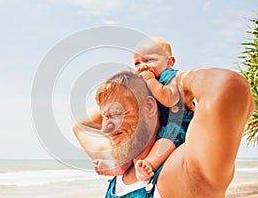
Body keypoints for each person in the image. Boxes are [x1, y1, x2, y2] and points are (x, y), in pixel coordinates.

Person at [73, 69, 254, 197]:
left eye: (117, 113)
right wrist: (128, 86)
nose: (105, 128)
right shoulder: (120, 170)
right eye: (104, 117)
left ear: (150, 106)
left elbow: (229, 86)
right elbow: (79, 125)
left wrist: (172, 81)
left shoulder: (183, 170)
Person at [132, 36, 194, 181]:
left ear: (169, 62)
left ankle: (149, 164)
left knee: (168, 137)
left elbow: (169, 98)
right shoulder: (147, 82)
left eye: (149, 60)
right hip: (162, 125)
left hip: (179, 123)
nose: (142, 66)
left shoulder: (170, 76)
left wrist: (150, 80)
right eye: (137, 63)